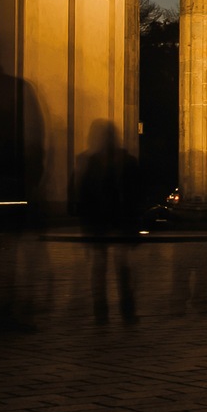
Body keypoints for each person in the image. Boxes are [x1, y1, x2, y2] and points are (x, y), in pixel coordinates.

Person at [72, 119, 143, 323]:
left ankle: (108, 312)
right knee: (113, 269)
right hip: (107, 223)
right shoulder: (123, 161)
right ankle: (119, 311)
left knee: (110, 269)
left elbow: (83, 194)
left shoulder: (92, 162)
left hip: (110, 223)